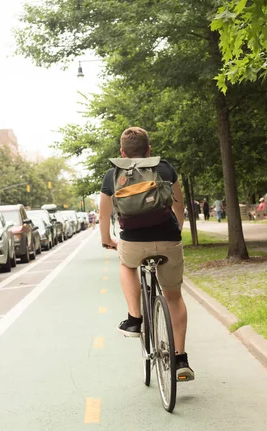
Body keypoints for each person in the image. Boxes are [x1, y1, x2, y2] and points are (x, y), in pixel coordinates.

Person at [99, 126, 194, 382]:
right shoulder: (165, 168)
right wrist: (177, 230)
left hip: (133, 241)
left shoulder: (112, 175)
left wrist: (107, 239)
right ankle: (180, 359)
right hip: (168, 238)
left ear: (122, 152)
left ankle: (134, 319)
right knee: (174, 297)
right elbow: (179, 204)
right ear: (148, 150)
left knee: (126, 264)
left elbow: (105, 212)